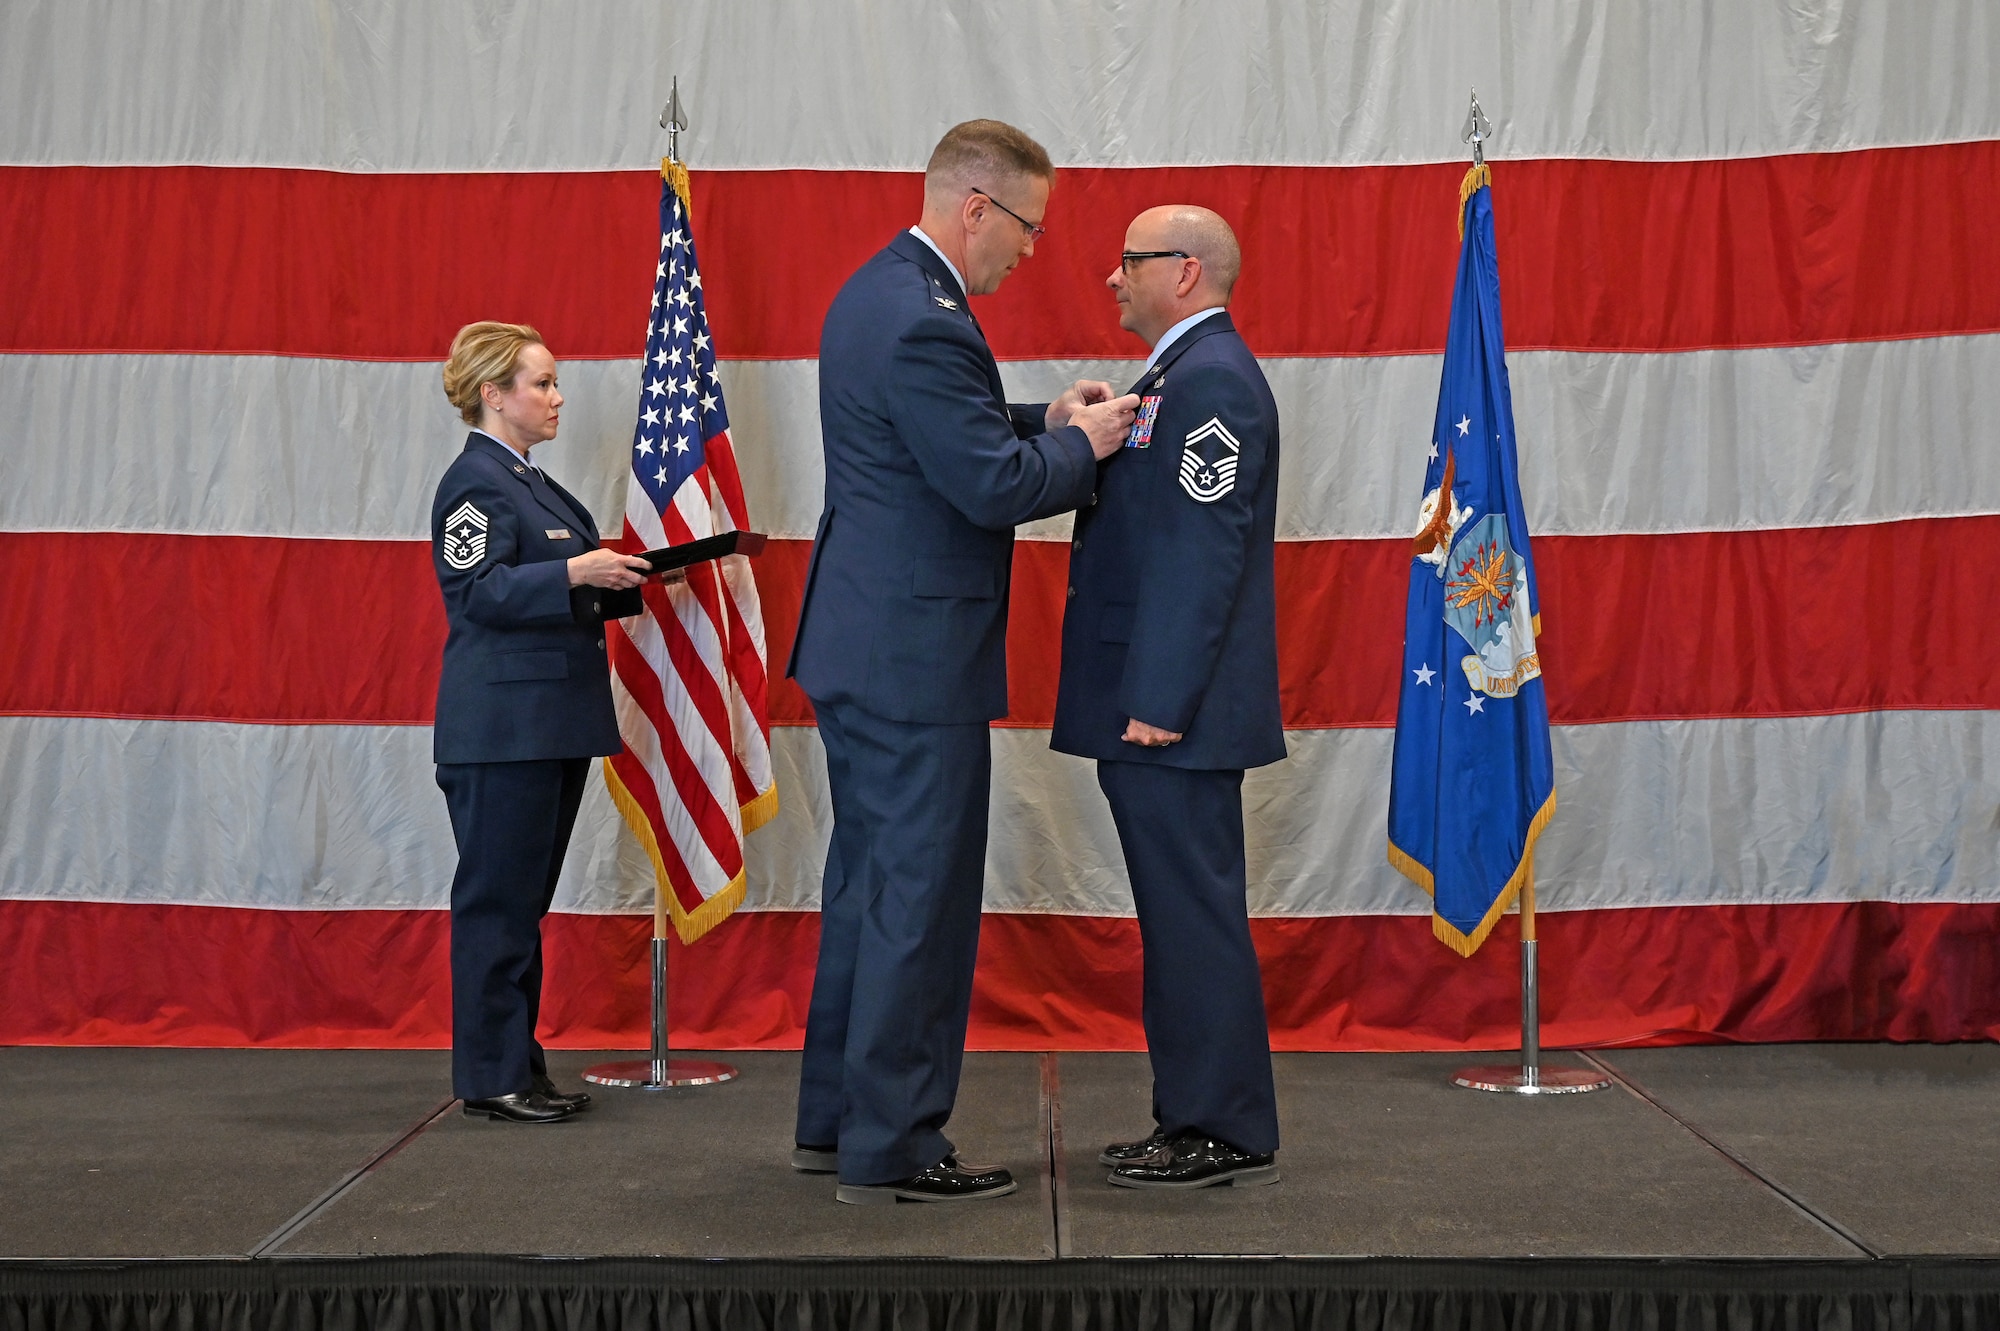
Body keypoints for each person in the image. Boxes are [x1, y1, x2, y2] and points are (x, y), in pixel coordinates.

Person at [787, 120, 1141, 1203]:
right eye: (1027, 227)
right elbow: (989, 484)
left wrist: (1045, 413)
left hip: (865, 642)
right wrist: (1085, 447)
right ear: (975, 206)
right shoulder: (927, 323)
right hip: (912, 658)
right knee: (918, 899)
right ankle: (892, 1140)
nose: (1031, 251)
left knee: (864, 888)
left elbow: (937, 429)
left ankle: (837, 1120)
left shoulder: (880, 293)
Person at [1050, 206, 1286, 1188]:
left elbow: (1199, 550)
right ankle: (1194, 1109)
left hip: (1168, 709)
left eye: (1127, 260)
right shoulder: (1173, 380)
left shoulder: (1213, 384)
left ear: (1182, 272)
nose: (1111, 277)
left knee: (1190, 915)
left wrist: (1159, 694)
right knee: (1179, 910)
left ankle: (1217, 1121)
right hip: (1154, 699)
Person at [430, 321, 655, 1124]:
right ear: (493, 394)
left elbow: (553, 588)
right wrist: (573, 569)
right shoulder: (476, 485)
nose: (558, 397)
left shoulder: (536, 486)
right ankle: (492, 1075)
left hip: (546, 725)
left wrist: (619, 575)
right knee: (497, 906)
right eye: (541, 383)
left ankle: (516, 1066)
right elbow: (478, 593)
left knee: (520, 908)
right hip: (502, 731)